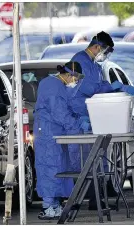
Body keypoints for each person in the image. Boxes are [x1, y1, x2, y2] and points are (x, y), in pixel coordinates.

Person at [68, 31, 134, 210]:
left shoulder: (94, 65)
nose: (105, 55)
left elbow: (100, 88)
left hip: (93, 117)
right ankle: (85, 200)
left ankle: (97, 199)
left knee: (98, 160)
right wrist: (114, 87)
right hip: (80, 117)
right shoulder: (80, 61)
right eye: (105, 51)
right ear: (97, 46)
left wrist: (118, 90)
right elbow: (89, 87)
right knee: (86, 161)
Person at [33, 61, 90, 220]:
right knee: (49, 167)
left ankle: (55, 205)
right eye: (76, 78)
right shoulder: (52, 85)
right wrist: (77, 124)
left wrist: (79, 118)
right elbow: (59, 113)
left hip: (56, 133)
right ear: (69, 74)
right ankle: (48, 206)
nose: (76, 82)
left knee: (59, 167)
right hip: (48, 133)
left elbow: (67, 108)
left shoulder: (59, 86)